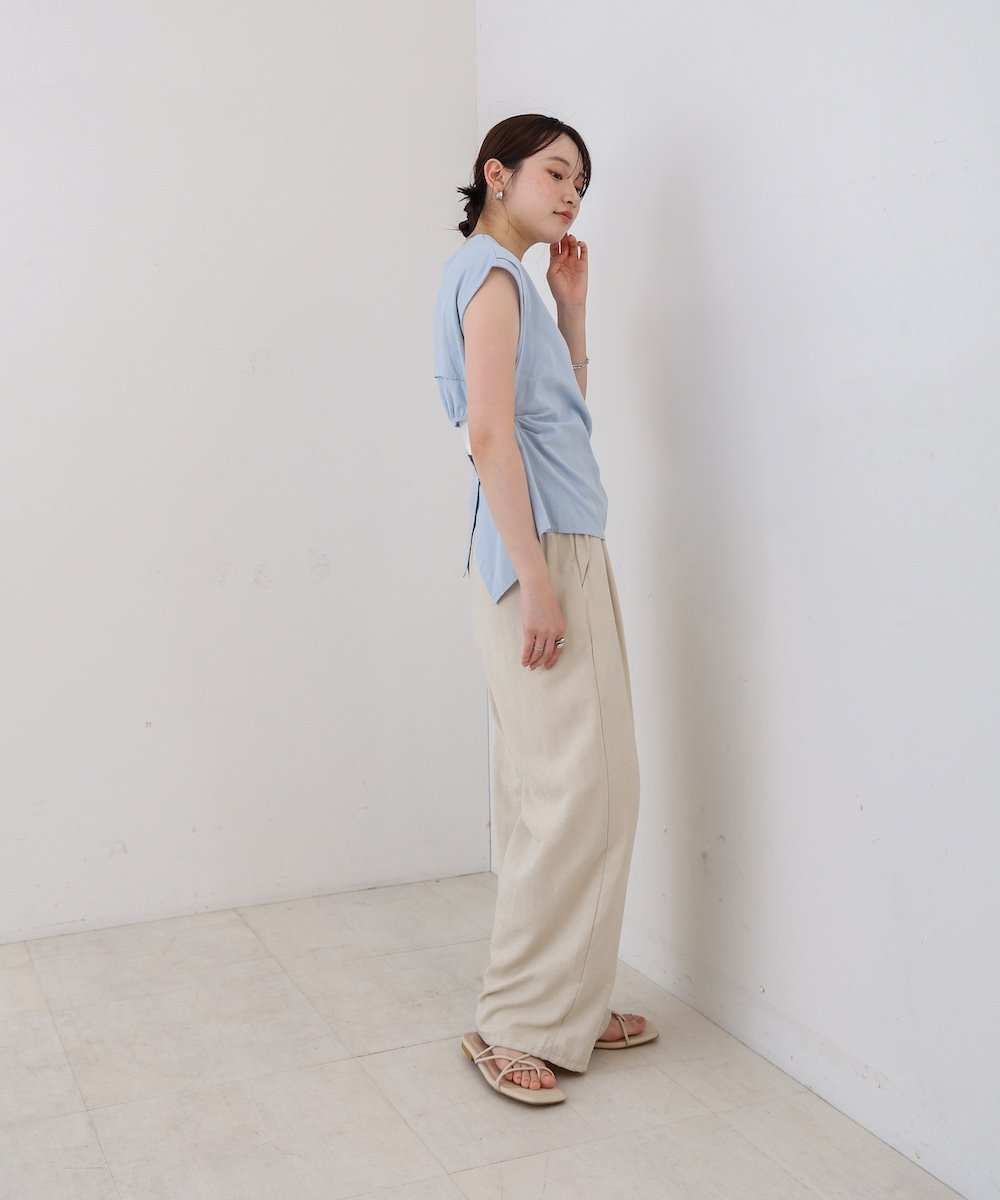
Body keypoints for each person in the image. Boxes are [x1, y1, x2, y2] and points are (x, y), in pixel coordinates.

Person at [433, 114, 658, 1106]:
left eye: (582, 183)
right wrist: (536, 579)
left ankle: (564, 1000)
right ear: (498, 173)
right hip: (543, 549)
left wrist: (572, 314)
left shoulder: (512, 282)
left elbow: (553, 415)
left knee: (556, 789)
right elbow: (490, 434)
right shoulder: (489, 277)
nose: (571, 193)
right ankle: (517, 1023)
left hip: (553, 542)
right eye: (556, 172)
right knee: (585, 791)